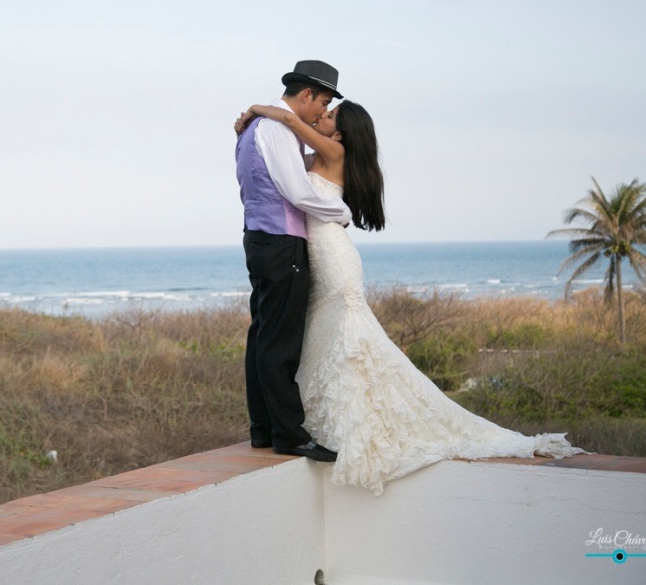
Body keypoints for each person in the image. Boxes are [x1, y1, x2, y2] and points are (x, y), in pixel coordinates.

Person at [235, 100, 585, 495]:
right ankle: (313, 417)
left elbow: (287, 119)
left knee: (347, 332)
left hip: (332, 253)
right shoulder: (316, 152)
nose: (323, 116)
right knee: (324, 332)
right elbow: (278, 160)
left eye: (330, 116)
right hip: (315, 250)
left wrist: (258, 110)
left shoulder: (335, 151)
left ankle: (339, 419)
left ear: (341, 132)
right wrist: (249, 131)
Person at [234, 60, 352, 462]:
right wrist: (342, 214)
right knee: (281, 341)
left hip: (259, 237)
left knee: (263, 335)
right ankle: (289, 434)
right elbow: (298, 194)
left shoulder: (253, 128)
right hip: (282, 243)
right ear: (306, 95)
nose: (322, 112)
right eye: (322, 103)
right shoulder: (277, 131)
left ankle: (263, 429)